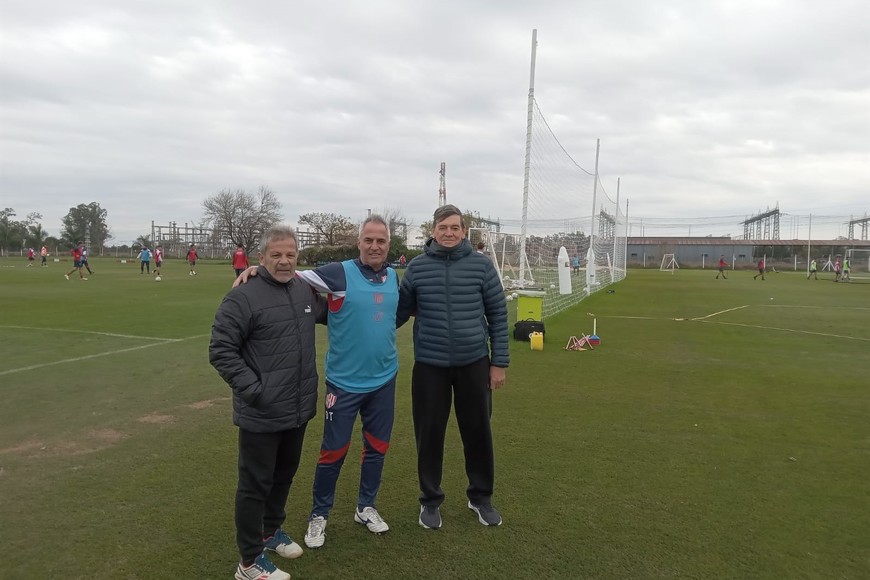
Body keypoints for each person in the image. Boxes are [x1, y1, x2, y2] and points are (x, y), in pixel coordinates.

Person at [235, 216, 400, 549]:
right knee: (333, 452)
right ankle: (319, 515)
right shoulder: (339, 272)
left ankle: (366, 507)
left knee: (377, 448)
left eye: (381, 241)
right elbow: (288, 272)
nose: (374, 246)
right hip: (344, 383)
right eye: (368, 239)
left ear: (388, 244)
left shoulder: (394, 275)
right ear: (359, 242)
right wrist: (254, 269)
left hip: (384, 380)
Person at [209, 225, 327, 580]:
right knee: (254, 484)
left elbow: (334, 307)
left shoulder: (304, 289)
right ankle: (248, 562)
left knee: (283, 476)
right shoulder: (242, 297)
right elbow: (221, 351)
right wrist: (257, 391)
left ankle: (270, 531)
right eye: (275, 255)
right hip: (262, 412)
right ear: (261, 258)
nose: (284, 261)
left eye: (290, 254)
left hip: (298, 408)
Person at [396, 204, 509, 530]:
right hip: (430, 366)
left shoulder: (481, 265)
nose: (449, 232)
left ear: (463, 232)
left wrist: (498, 362)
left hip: (474, 362)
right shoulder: (416, 268)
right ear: (433, 230)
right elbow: (398, 314)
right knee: (429, 435)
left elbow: (499, 316)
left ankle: (480, 497)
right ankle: (430, 501)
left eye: (455, 228)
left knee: (478, 432)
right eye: (443, 227)